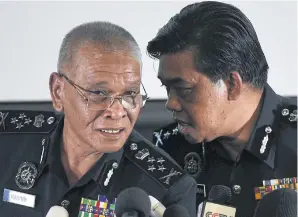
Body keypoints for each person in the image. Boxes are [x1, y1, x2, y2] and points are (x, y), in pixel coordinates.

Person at [0, 21, 197, 217]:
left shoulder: (169, 192)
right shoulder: (6, 141)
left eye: (130, 94)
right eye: (99, 93)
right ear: (58, 92)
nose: (118, 111)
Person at [147, 1, 297, 217]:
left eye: (184, 88)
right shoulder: (167, 150)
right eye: (167, 88)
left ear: (232, 84)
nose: (170, 103)